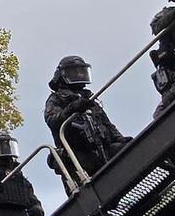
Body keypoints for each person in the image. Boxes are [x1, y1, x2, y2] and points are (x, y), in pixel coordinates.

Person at [43, 56, 131, 191]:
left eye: (81, 71)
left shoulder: (89, 100)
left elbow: (107, 124)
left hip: (103, 150)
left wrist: (121, 140)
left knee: (129, 149)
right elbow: (52, 120)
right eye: (74, 72)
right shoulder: (56, 99)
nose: (79, 75)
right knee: (91, 192)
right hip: (79, 158)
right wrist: (72, 108)